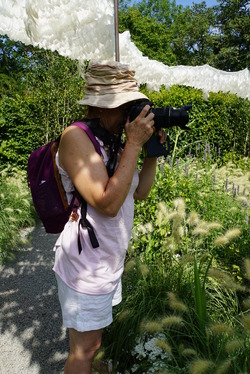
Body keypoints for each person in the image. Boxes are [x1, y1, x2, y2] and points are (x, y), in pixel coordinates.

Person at [53, 60, 166, 374]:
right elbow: (107, 203)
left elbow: (139, 191)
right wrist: (133, 144)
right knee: (83, 351)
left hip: (106, 261)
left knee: (94, 344)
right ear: (100, 107)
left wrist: (151, 151)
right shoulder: (76, 138)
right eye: (125, 106)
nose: (131, 113)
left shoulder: (112, 140)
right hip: (83, 265)